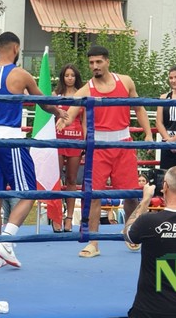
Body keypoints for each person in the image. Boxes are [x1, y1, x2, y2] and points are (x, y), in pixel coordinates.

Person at [0, 31, 67, 268]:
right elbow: (44, 102)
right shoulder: (20, 75)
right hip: (10, 140)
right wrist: (59, 112)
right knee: (30, 192)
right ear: (15, 48)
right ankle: (7, 240)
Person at [56, 45, 153, 257]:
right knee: (94, 196)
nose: (95, 66)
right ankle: (93, 242)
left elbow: (139, 108)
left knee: (130, 195)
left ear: (107, 61)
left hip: (124, 146)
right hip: (98, 148)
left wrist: (148, 133)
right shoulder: (87, 89)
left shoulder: (125, 81)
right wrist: (65, 120)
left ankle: (131, 233)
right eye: (91, 63)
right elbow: (72, 111)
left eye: (99, 62)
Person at [124, 166, 176, 318]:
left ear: (165, 186)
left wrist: (145, 200)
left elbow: (128, 234)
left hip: (149, 311)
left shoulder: (149, 221)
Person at [52, 63, 84, 232]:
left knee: (72, 179)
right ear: (62, 77)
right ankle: (56, 216)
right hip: (57, 140)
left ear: (76, 77)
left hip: (76, 140)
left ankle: (69, 218)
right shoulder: (55, 95)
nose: (70, 78)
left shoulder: (82, 94)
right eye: (67, 75)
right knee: (56, 179)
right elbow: (49, 118)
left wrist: (86, 141)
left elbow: (85, 120)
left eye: (72, 75)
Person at [156, 65, 176, 169]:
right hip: (167, 142)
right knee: (166, 175)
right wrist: (168, 140)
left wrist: (175, 139)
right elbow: (158, 122)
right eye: (171, 78)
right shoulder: (164, 97)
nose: (173, 80)